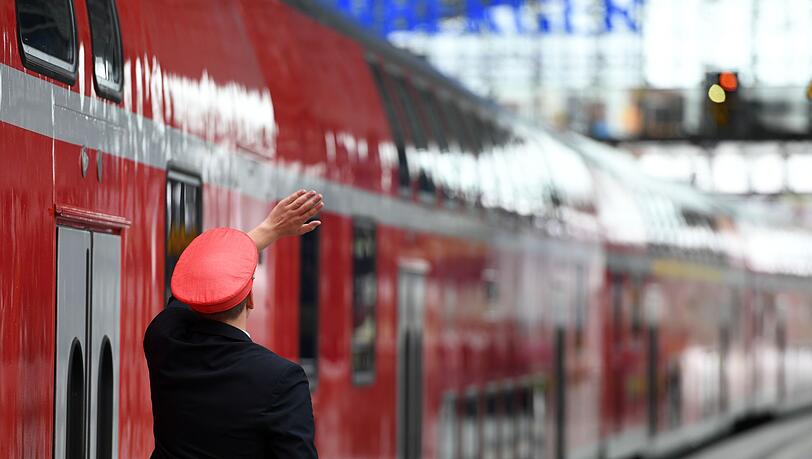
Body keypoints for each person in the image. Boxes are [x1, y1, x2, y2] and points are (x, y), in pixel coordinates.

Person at [144, 189, 324, 459]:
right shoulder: (281, 380)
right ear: (250, 297)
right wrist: (272, 230)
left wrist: (268, 230)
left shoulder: (164, 340)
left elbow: (191, 290)